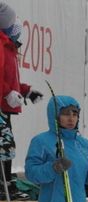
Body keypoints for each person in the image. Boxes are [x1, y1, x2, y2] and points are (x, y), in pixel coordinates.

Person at [0, 3, 43, 178]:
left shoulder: (9, 49)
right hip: (2, 106)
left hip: (6, 107)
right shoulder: (2, 47)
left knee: (7, 145)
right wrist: (6, 93)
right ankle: (3, 182)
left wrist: (26, 91)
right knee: (4, 144)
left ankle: (6, 181)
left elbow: (10, 80)